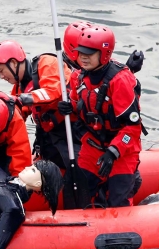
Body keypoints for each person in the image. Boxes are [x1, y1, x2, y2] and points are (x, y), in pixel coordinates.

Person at [0, 40, 78, 209]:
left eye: (1, 71)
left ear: (13, 63)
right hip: (48, 138)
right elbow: (18, 115)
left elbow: (54, 90)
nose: (1, 76)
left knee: (77, 174)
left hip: (72, 134)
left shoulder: (46, 63)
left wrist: (22, 99)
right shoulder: (18, 88)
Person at [60, 21, 146, 200]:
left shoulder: (119, 81)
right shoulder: (78, 77)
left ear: (105, 54)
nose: (83, 58)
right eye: (80, 53)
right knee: (75, 195)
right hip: (92, 147)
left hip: (121, 153)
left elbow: (132, 128)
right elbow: (82, 109)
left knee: (118, 200)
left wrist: (113, 152)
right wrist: (70, 108)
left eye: (89, 54)